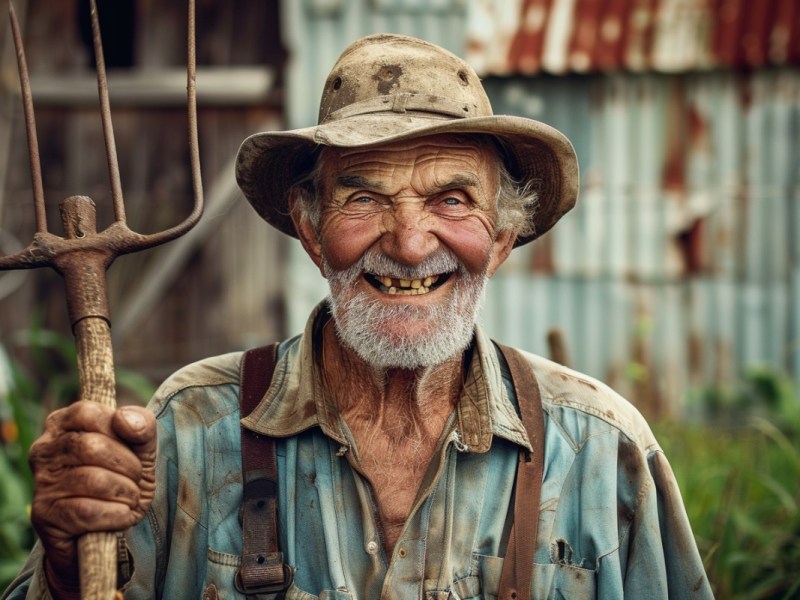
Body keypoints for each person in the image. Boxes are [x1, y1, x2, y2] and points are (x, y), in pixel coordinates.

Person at [3, 34, 713, 599]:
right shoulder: (190, 432)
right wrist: (68, 575)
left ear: (500, 241)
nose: (408, 244)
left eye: (453, 200)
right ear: (310, 232)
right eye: (363, 198)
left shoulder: (601, 450)